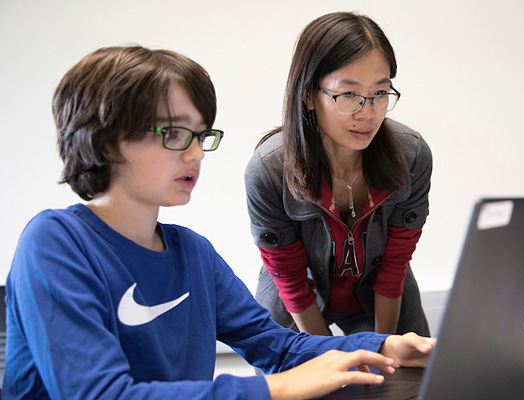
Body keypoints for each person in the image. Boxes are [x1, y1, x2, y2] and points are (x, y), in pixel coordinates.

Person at [3, 45, 435, 399]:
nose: (194, 154)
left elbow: (281, 348)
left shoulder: (192, 253)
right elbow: (99, 394)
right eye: (173, 134)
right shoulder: (55, 242)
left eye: (200, 135)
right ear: (104, 138)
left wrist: (384, 344)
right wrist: (274, 390)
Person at [245, 11, 433, 337]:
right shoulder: (268, 170)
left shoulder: (411, 156)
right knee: (297, 384)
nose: (368, 112)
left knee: (410, 380)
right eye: (348, 95)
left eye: (380, 93)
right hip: (295, 301)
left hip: (380, 296)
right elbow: (289, 277)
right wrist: (330, 357)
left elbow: (395, 265)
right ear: (308, 96)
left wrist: (383, 349)